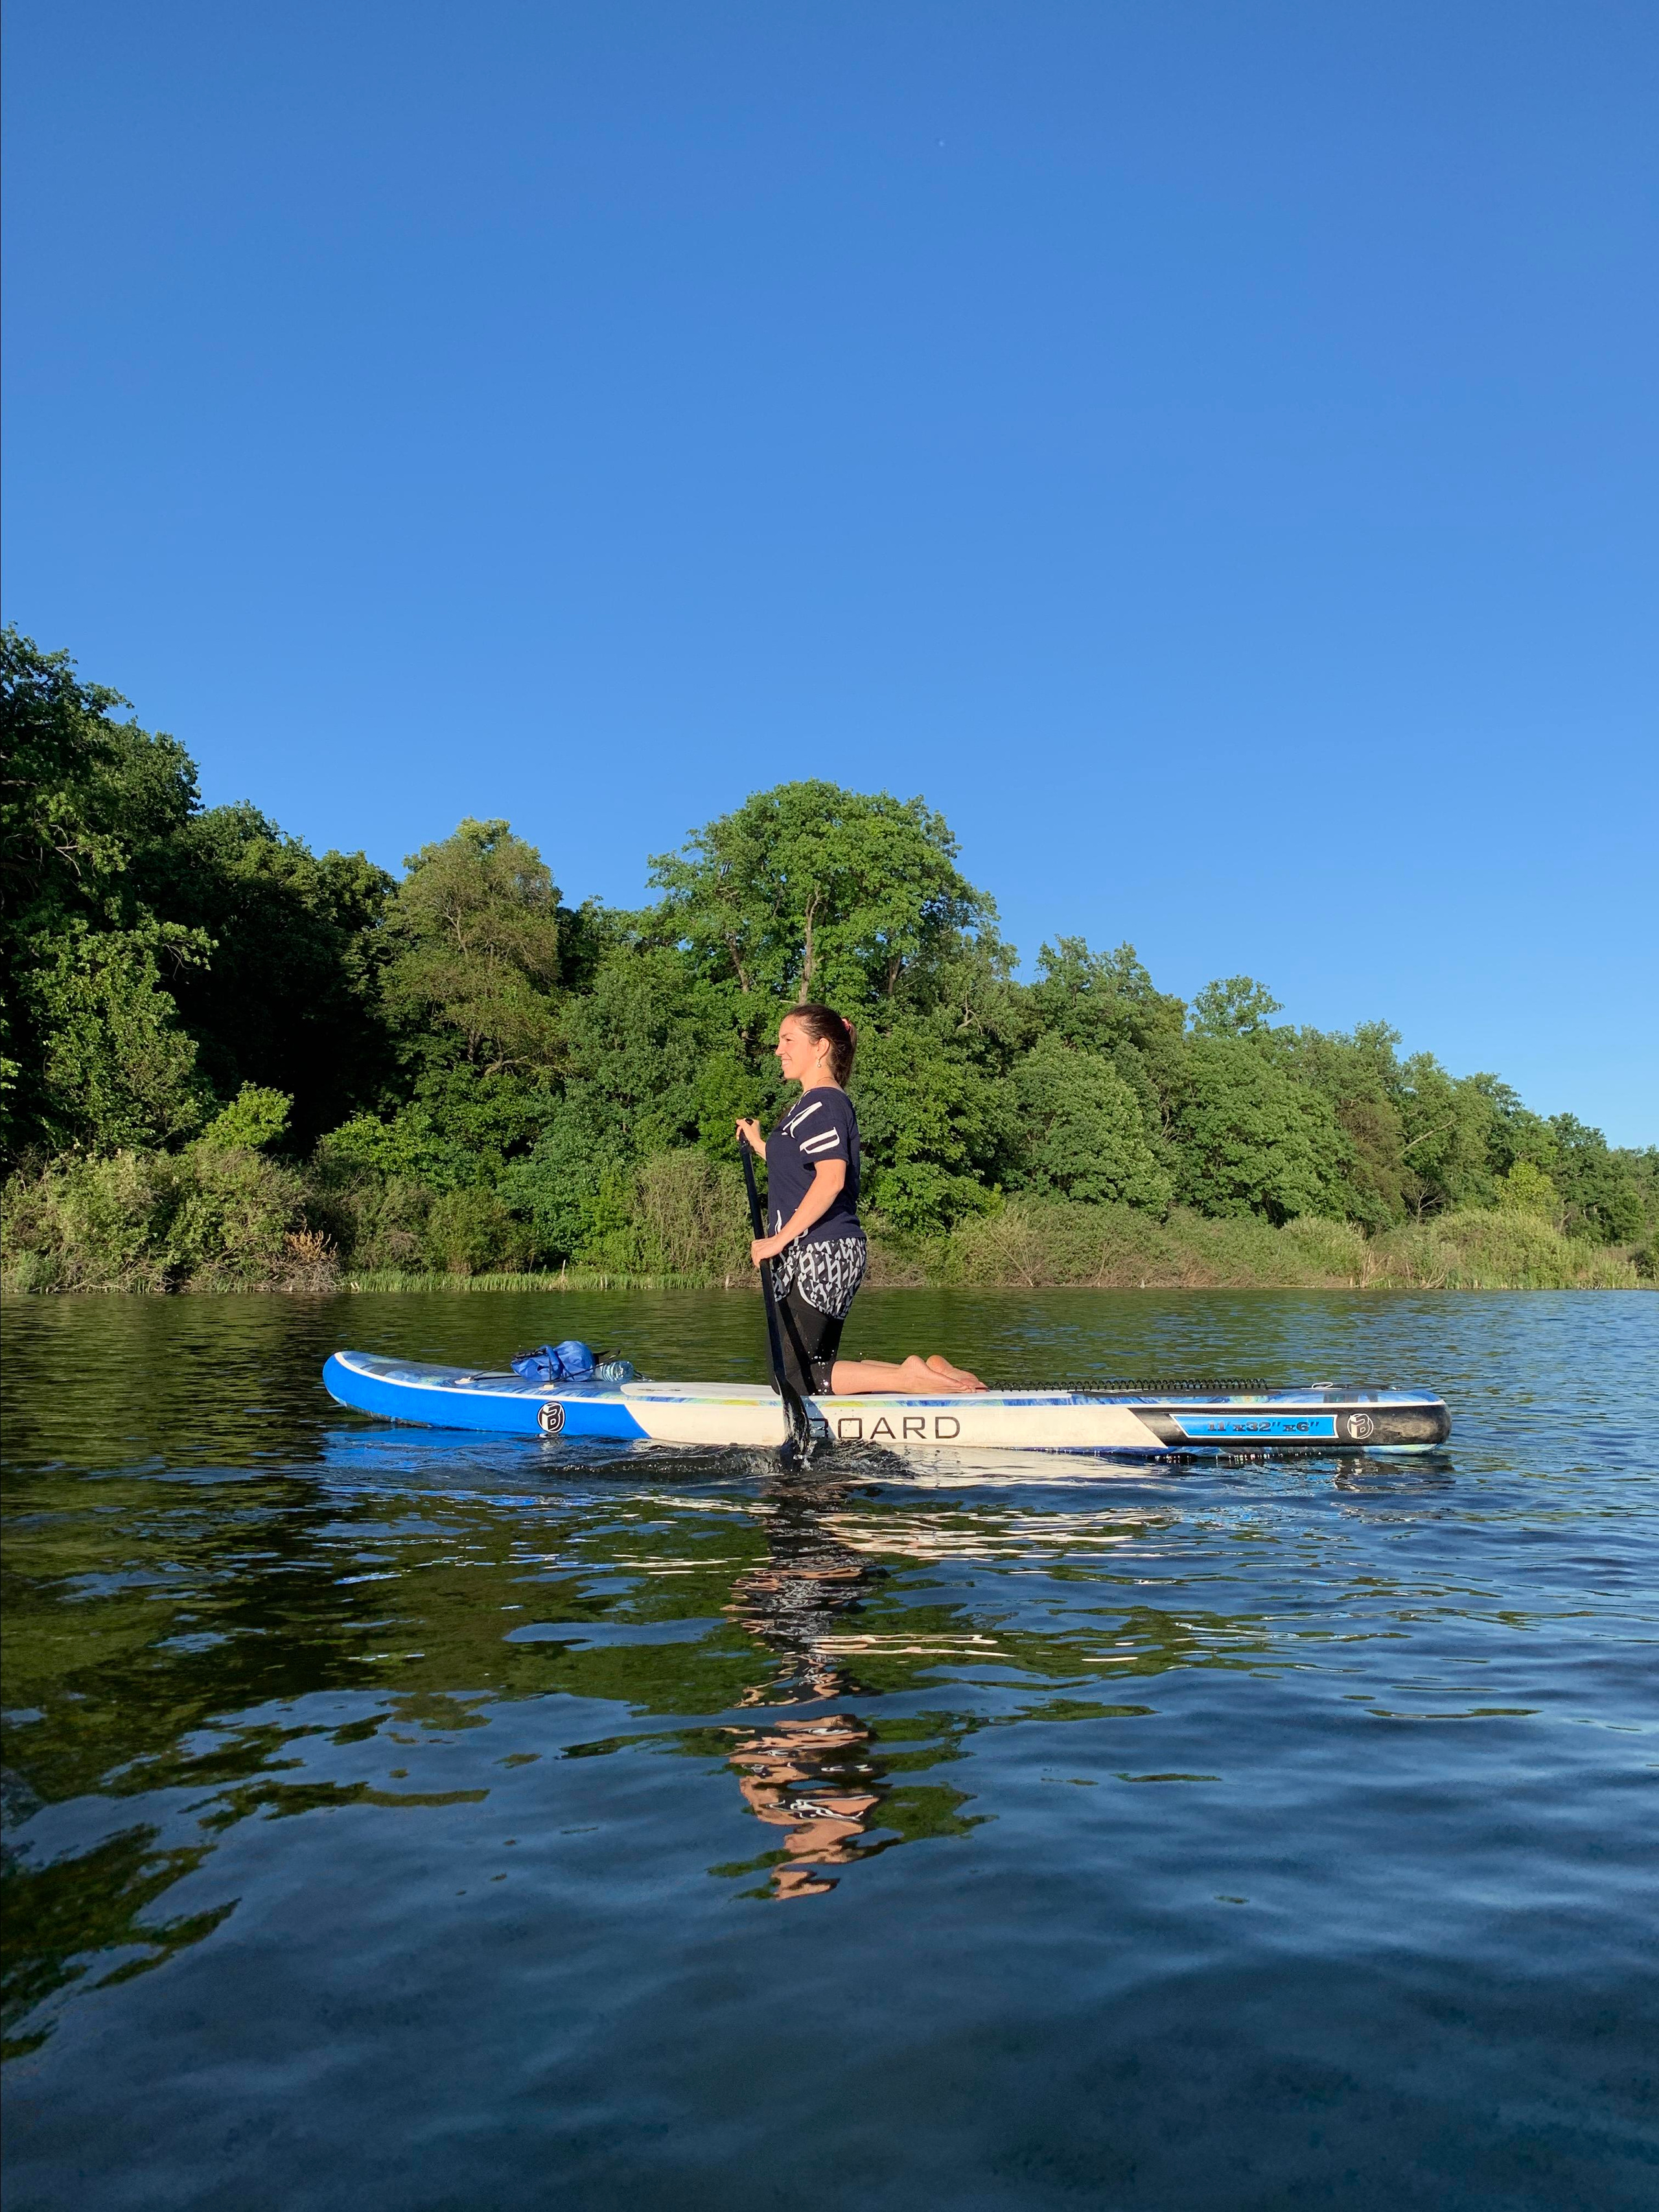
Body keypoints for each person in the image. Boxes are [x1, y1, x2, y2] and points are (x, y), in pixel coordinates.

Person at [736, 1005, 988, 1399]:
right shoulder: (808, 1107)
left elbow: (831, 1180)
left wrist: (779, 1239)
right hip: (820, 1251)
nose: (778, 1049)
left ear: (819, 1047)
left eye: (788, 1040)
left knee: (793, 1377)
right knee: (815, 1367)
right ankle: (933, 1375)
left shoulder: (824, 1103)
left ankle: (910, 1379)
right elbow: (797, 1169)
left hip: (819, 1252)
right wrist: (761, 1144)